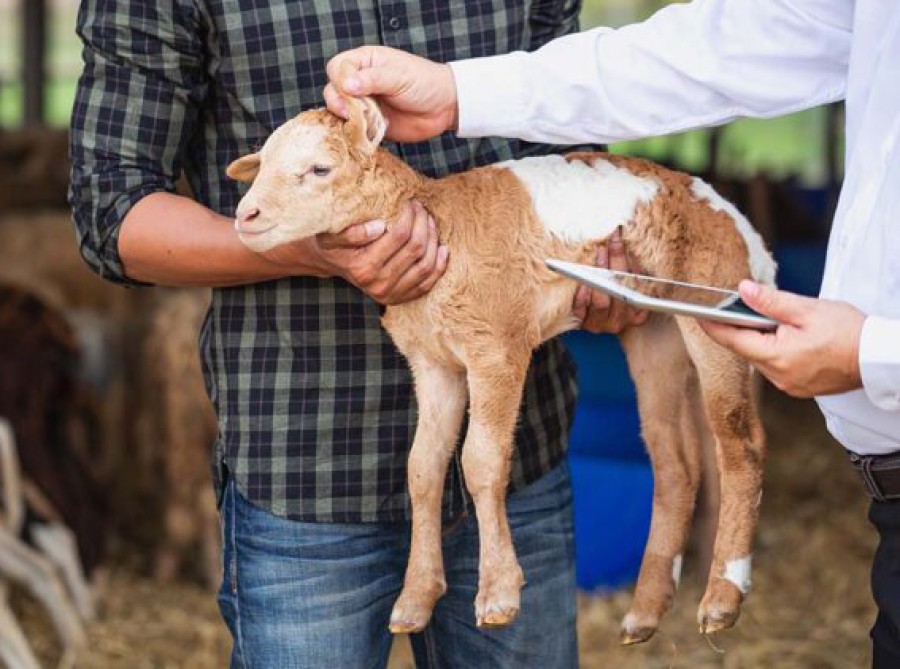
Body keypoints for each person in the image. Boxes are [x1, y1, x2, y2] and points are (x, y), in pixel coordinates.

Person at [68, 1, 648, 667]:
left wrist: (602, 263)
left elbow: (567, 131)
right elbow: (110, 210)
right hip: (306, 469)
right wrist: (302, 247)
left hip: (517, 455)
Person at [323, 0, 900, 665]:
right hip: (887, 497)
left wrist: (873, 352)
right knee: (661, 433)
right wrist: (461, 92)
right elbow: (741, 40)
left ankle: (728, 562)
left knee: (721, 424)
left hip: (853, 386)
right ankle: (656, 582)